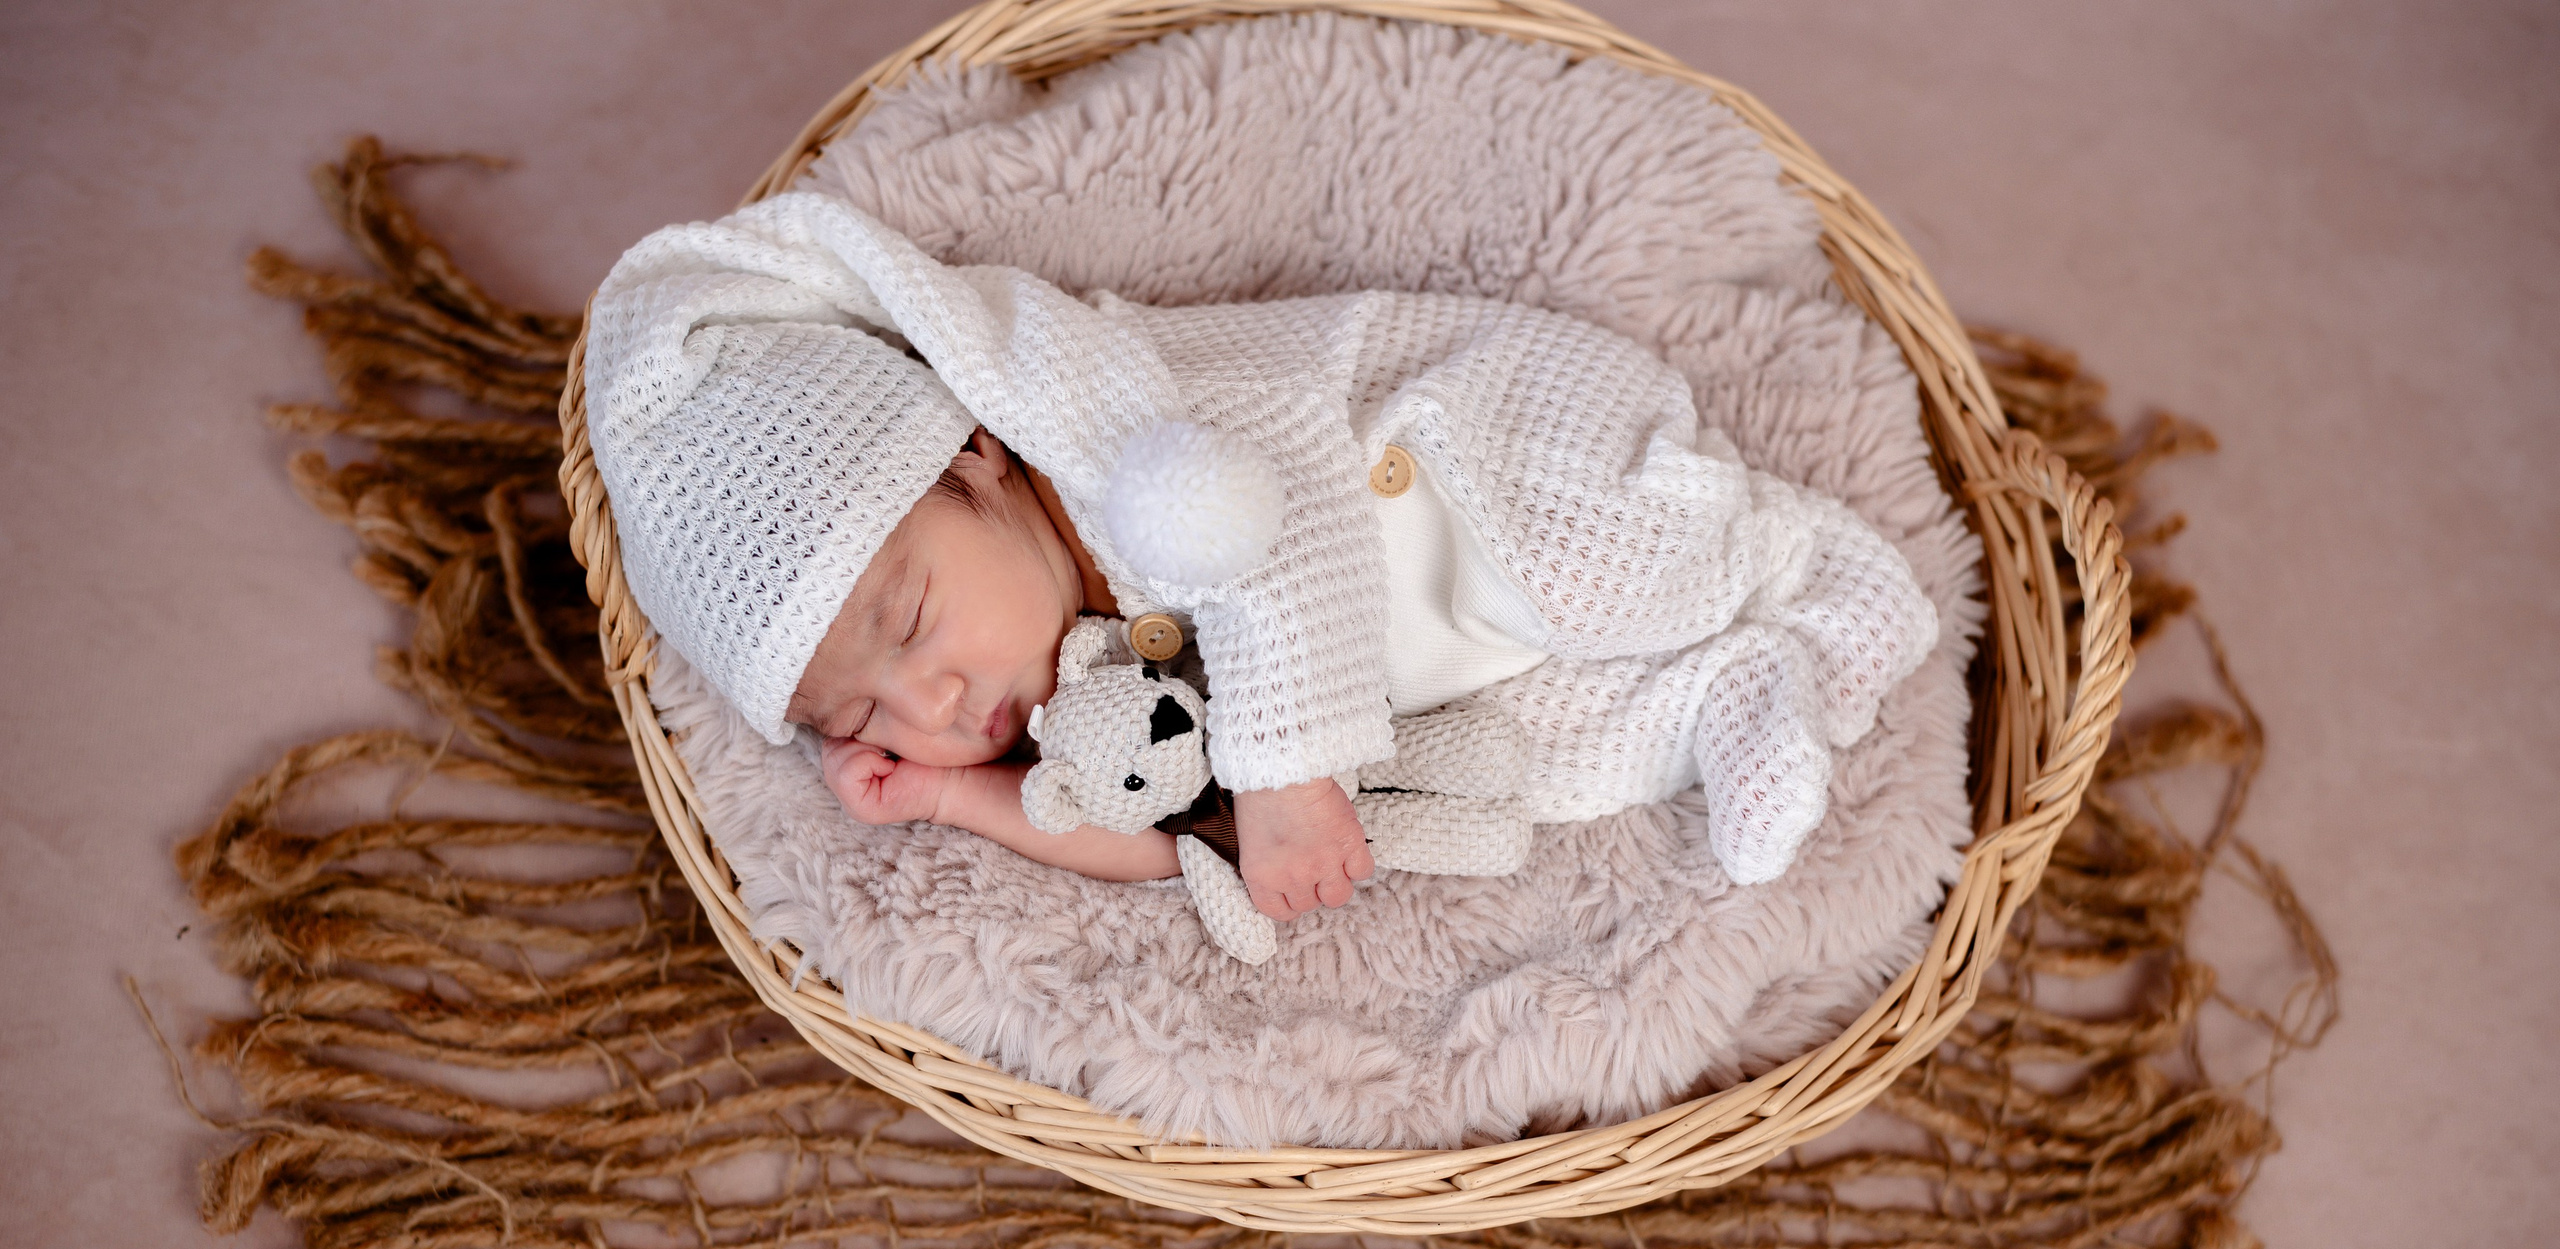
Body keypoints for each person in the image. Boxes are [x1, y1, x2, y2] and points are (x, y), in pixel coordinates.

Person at [582, 191, 1937, 926]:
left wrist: (1282, 774)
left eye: (913, 616)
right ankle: (1731, 691)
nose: (927, 704)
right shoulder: (1053, 701)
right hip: (1460, 652)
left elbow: (1277, 525)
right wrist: (951, 808)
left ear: (975, 461)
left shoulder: (1112, 432)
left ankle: (1797, 572)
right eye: (861, 713)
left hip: (1480, 440)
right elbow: (1169, 845)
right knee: (1552, 753)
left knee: (1601, 571)